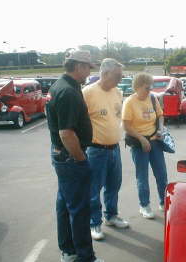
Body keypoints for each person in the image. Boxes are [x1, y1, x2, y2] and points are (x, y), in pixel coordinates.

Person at [46, 49, 103, 262]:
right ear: (78, 66)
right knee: (79, 210)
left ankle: (68, 251)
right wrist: (80, 159)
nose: (89, 72)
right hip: (70, 158)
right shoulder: (68, 91)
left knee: (65, 205)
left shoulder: (61, 86)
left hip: (62, 155)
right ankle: (85, 257)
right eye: (88, 67)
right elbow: (66, 132)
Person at [83, 58, 129, 241]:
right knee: (94, 188)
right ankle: (94, 223)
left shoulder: (117, 92)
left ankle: (111, 216)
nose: (120, 79)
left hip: (114, 148)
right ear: (106, 73)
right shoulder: (87, 93)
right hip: (95, 150)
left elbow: (117, 116)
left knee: (113, 185)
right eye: (118, 76)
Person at [122, 72, 168, 219]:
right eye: (147, 88)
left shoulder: (153, 98)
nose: (150, 91)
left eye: (151, 87)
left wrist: (161, 128)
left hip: (155, 141)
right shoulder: (129, 102)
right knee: (142, 176)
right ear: (137, 87)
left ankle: (164, 202)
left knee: (161, 174)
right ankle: (144, 206)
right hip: (139, 143)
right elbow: (126, 126)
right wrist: (142, 139)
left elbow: (160, 115)